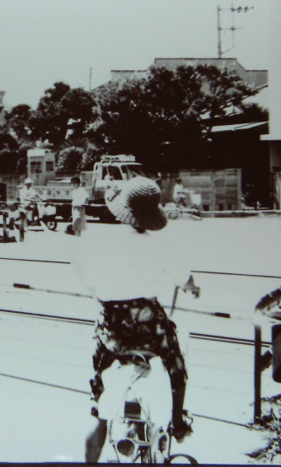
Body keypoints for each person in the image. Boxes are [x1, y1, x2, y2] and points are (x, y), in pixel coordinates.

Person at [66, 176, 191, 462]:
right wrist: (191, 287)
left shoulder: (100, 243)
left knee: (99, 404)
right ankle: (179, 422)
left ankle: (97, 425)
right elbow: (184, 278)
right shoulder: (159, 245)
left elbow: (91, 282)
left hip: (112, 332)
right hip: (152, 329)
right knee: (176, 365)